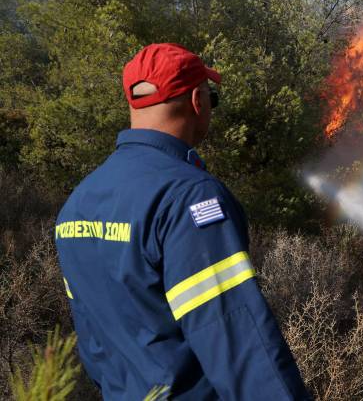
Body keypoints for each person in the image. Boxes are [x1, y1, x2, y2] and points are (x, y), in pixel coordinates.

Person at [54, 43, 310, 400]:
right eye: (211, 97)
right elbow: (237, 341)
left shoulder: (78, 202)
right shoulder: (190, 197)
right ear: (197, 101)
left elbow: (95, 343)